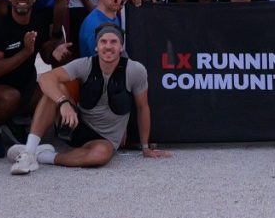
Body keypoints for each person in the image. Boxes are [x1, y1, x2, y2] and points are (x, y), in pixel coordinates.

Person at [12, 25, 166, 174]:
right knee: (54, 89)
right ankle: (29, 153)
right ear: (96, 47)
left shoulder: (135, 70)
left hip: (105, 139)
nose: (108, 46)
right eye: (103, 41)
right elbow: (45, 78)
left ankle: (42, 156)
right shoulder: (85, 64)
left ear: (121, 47)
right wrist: (63, 103)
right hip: (74, 125)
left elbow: (142, 107)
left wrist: (145, 147)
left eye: (114, 42)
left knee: (101, 155)